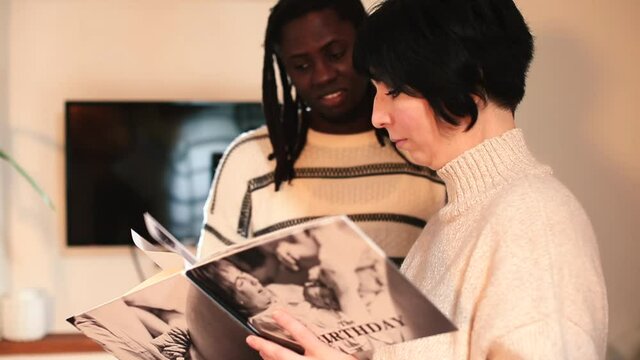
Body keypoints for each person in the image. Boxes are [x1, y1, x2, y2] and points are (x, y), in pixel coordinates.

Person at [245, 0, 608, 359]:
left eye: (393, 90)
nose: (377, 116)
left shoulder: (533, 218)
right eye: (375, 90)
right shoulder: (448, 223)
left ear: (464, 78)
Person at [196, 0, 446, 266]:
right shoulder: (248, 160)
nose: (323, 75)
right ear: (286, 70)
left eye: (336, 53)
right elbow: (212, 287)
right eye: (302, 66)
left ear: (364, 46)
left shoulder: (425, 150)